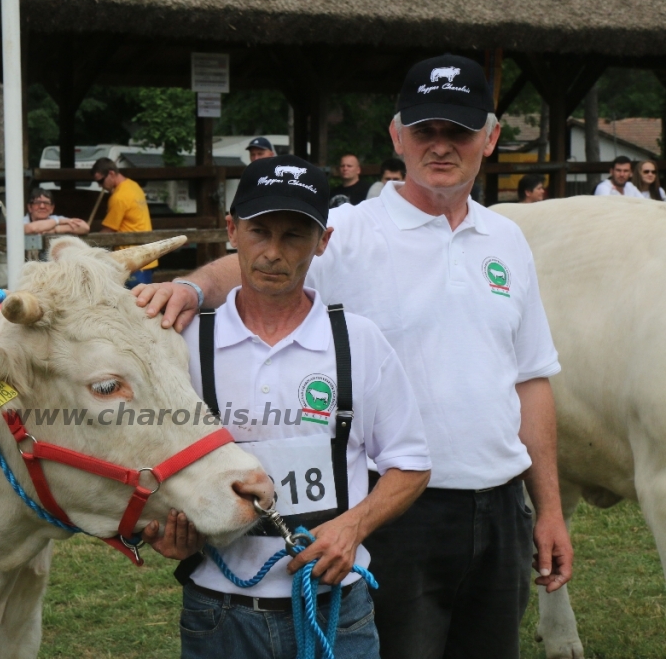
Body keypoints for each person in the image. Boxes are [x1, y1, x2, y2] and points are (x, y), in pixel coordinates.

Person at [135, 54, 572, 659]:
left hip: (500, 508)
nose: (440, 146)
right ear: (398, 135)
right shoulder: (352, 230)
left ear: (491, 138)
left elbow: (530, 381)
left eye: (459, 131)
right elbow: (260, 257)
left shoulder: (508, 240)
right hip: (396, 510)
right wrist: (187, 289)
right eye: (425, 131)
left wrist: (547, 509)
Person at [142, 155, 432, 659]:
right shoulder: (185, 345)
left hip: (335, 606)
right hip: (220, 611)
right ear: (232, 231)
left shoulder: (357, 341)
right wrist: (165, 527)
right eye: (260, 232)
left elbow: (410, 463)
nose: (273, 253)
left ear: (323, 242)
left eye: (295, 235)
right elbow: (145, 460)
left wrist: (352, 527)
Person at [90, 157, 156, 288]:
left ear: (111, 173)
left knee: (133, 302)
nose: (100, 186)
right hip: (147, 258)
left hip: (130, 261)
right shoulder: (134, 186)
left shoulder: (119, 197)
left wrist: (90, 247)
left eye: (101, 181)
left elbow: (108, 230)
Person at [23, 187, 89, 235]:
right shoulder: (21, 221)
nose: (42, 206)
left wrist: (56, 229)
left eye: (46, 203)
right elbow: (31, 229)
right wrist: (58, 221)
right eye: (37, 203)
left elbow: (85, 227)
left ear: (52, 208)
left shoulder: (54, 218)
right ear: (29, 207)